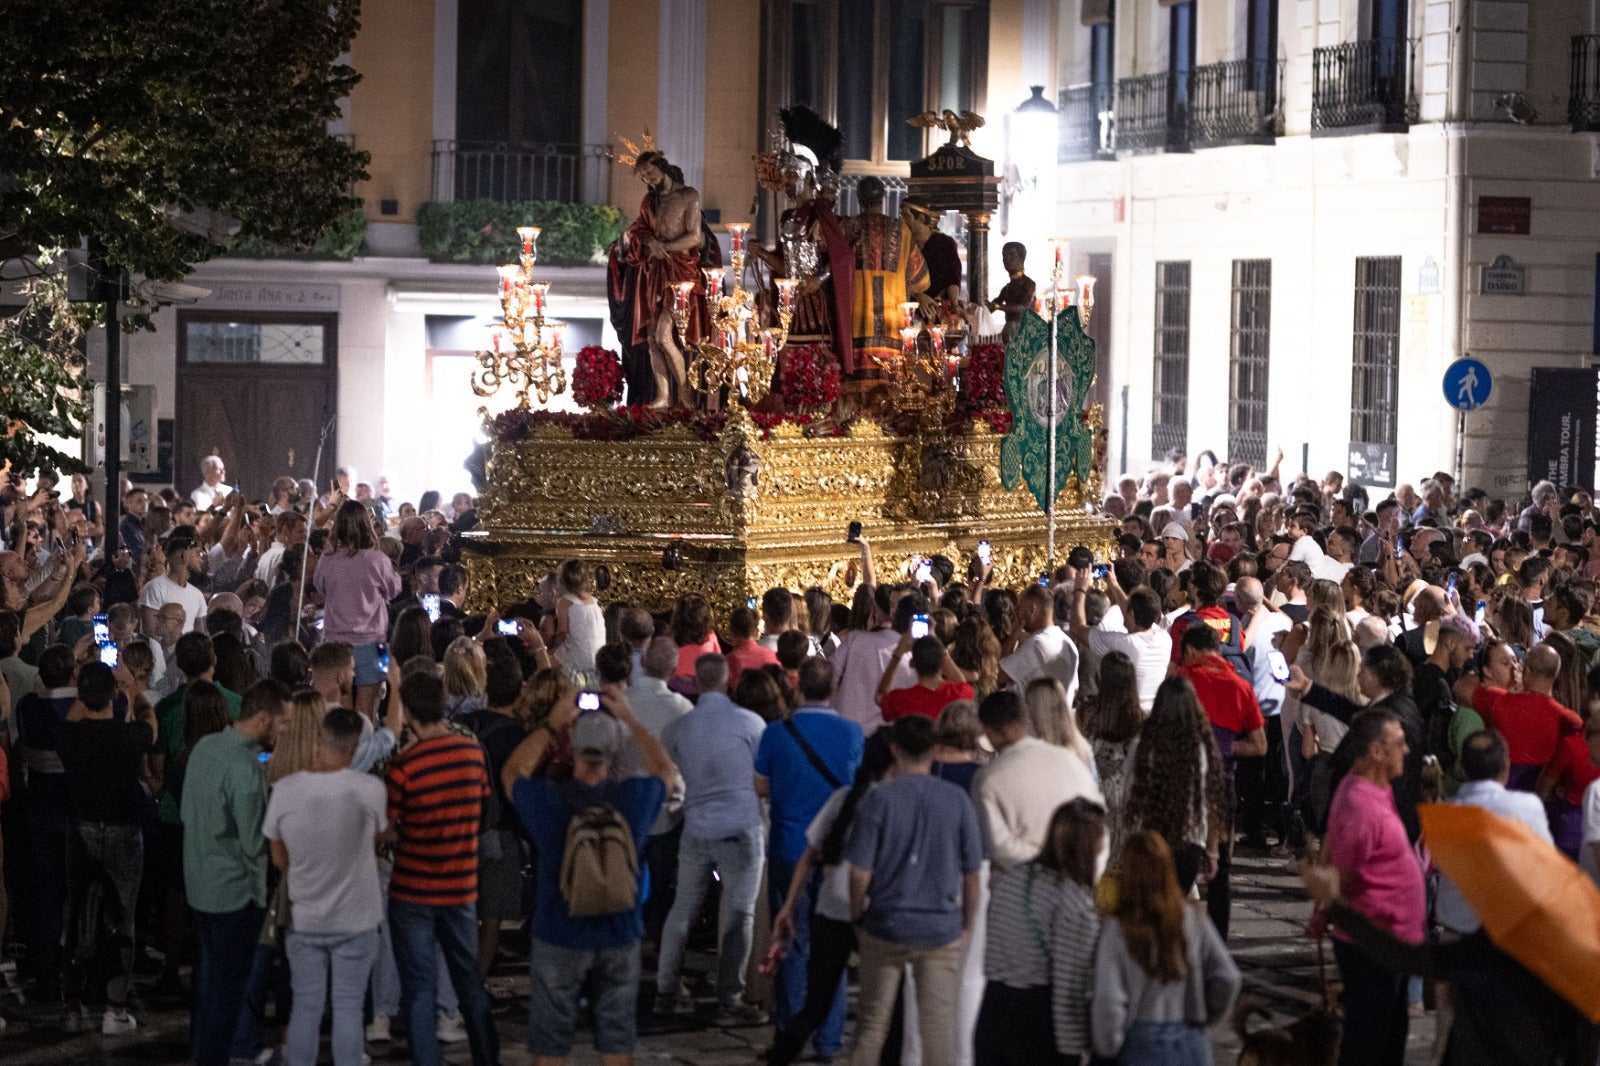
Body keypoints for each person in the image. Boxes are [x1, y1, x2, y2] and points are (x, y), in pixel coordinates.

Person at [503, 685, 674, 1064]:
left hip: (559, 929)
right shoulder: (633, 799)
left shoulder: (549, 800)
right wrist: (628, 718)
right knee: (616, 1039)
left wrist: (550, 726)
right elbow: (665, 770)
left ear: (572, 750)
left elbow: (512, 772)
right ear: (614, 754)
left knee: (550, 1041)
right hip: (620, 929)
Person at [845, 716, 984, 1066]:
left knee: (873, 1025)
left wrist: (857, 914)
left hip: (886, 922)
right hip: (940, 927)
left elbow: (859, 871)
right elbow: (971, 873)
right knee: (937, 1027)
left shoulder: (878, 799)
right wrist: (967, 919)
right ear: (935, 750)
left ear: (895, 750)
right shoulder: (957, 800)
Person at [383, 671, 499, 1066]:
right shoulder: (472, 753)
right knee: (467, 980)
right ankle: (487, 1056)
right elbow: (481, 807)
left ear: (410, 711)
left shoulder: (405, 766)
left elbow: (389, 829)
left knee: (419, 989)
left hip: (413, 890)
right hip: (460, 887)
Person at [754, 656, 864, 1060]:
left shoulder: (776, 734)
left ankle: (790, 1031)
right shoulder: (853, 733)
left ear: (797, 688)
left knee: (792, 940)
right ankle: (829, 1038)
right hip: (834, 850)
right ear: (833, 688)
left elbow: (761, 787)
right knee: (829, 945)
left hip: (789, 844)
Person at [264, 708, 385, 1066]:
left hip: (307, 917)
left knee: (306, 1005)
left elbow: (277, 859)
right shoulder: (369, 789)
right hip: (358, 918)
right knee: (348, 1005)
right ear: (356, 746)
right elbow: (375, 842)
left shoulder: (285, 790)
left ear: (321, 738)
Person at [764, 731, 894, 1065]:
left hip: (829, 907)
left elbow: (809, 855)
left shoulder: (845, 797)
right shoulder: (893, 802)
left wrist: (789, 906)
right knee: (883, 1009)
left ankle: (782, 1056)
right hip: (872, 913)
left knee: (815, 1005)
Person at [656, 654, 769, 1023]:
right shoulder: (751, 723)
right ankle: (729, 999)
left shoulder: (680, 728)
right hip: (740, 826)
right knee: (739, 913)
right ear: (727, 680)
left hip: (697, 825)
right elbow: (760, 775)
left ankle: (666, 989)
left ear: (697, 683)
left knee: (682, 909)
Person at [182, 680, 289, 1066]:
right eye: (281, 724)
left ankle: (201, 1053)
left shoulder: (205, 748)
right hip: (234, 894)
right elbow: (253, 842)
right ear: (262, 719)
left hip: (198, 886)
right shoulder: (245, 768)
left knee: (208, 984)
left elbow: (186, 813)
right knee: (228, 992)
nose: (283, 733)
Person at [1320, 710, 1426, 1066]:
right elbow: (1344, 873)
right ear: (1376, 751)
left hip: (1390, 942)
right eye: (1399, 743)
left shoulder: (1377, 788)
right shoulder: (1359, 806)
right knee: (1368, 1042)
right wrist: (1325, 912)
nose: (1407, 750)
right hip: (1370, 944)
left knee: (1390, 1036)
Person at [57, 661, 156, 1035]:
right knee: (122, 917)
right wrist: (132, 691)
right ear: (113, 695)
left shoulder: (68, 737)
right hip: (123, 831)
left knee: (76, 914)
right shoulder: (128, 737)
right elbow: (150, 723)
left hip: (81, 829)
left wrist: (89, 686)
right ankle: (114, 1008)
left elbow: (75, 714)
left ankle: (72, 1005)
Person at [1089, 829, 1241, 1064]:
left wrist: (1106, 1049)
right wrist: (1205, 1017)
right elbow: (1228, 977)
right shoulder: (1193, 917)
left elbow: (1109, 1003)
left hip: (1141, 1045)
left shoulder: (1118, 928)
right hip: (1191, 1045)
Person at [975, 797, 1104, 1066]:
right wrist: (1073, 1051)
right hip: (1036, 1023)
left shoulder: (1012, 878)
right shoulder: (1073, 901)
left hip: (993, 1010)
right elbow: (1070, 986)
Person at [1176, 623, 1266, 938]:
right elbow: (1260, 745)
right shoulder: (1241, 686)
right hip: (1224, 786)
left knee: (1177, 868)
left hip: (1182, 783)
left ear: (1189, 651)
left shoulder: (1181, 681)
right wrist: (1223, 746)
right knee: (1220, 873)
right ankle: (1218, 947)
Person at [973, 690, 1101, 880]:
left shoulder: (988, 778)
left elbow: (997, 844)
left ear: (988, 731)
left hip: (1013, 887)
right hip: (1066, 877)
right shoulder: (1066, 760)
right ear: (1025, 718)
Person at [1127, 677, 1227, 894]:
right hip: (1190, 841)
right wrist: (1212, 852)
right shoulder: (1203, 747)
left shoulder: (1143, 745)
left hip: (1150, 840)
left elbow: (1130, 791)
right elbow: (1210, 804)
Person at [621, 149, 706, 406]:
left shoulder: (688, 195)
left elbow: (695, 237)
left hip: (680, 271)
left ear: (662, 167)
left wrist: (665, 247)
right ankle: (664, 395)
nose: (648, 180)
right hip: (655, 272)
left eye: (650, 173)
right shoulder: (650, 203)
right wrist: (648, 241)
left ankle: (686, 395)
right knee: (651, 338)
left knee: (663, 334)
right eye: (644, 177)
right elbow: (638, 231)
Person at [313, 500, 400, 720]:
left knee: (338, 710)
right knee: (366, 711)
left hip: (335, 641)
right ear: (366, 524)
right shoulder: (377, 559)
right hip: (372, 641)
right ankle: (365, 751)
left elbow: (319, 587)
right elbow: (394, 589)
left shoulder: (327, 558)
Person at [1461, 643, 1583, 790]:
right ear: (1555, 675)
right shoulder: (1570, 720)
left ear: (1527, 670)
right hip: (1541, 800)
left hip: (1501, 794)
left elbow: (1461, 686)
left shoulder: (1498, 701)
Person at [841, 175, 929, 365]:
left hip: (856, 325)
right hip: (893, 327)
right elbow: (921, 279)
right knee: (893, 382)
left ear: (859, 199)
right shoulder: (902, 230)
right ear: (883, 198)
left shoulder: (846, 228)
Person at [999, 584, 1079, 703]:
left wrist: (1014, 634)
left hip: (1038, 718)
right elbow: (1075, 689)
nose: (1016, 612)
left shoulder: (1037, 644)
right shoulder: (1067, 641)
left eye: (1019, 608)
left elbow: (1000, 675)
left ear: (1032, 610)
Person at [877, 633, 974, 722]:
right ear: (944, 661)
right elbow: (962, 683)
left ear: (912, 663)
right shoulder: (960, 692)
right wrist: (942, 651)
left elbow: (880, 696)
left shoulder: (900, 699)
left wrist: (897, 655)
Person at [138, 534, 208, 635]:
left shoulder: (198, 595)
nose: (201, 560)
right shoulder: (155, 588)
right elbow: (151, 634)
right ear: (185, 556)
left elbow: (201, 635)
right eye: (198, 554)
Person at [551, 558, 606, 676]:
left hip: (579, 656)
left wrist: (551, 649)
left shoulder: (565, 602)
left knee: (546, 665)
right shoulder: (594, 602)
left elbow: (562, 634)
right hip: (599, 657)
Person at [985, 241, 1036, 343]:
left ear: (1021, 258)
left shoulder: (1029, 284)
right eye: (1004, 255)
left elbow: (1023, 308)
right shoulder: (1007, 288)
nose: (1007, 259)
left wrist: (998, 306)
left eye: (1012, 255)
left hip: (1023, 332)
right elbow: (991, 307)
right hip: (1008, 331)